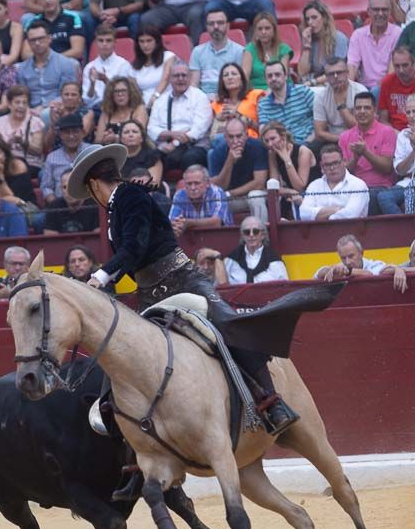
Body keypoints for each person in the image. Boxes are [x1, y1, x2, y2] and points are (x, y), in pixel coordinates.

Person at [67, 143, 299, 444]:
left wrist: (100, 276)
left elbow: (134, 247)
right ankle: (134, 448)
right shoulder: (120, 204)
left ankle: (272, 402)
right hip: (150, 291)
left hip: (182, 279)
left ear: (95, 184)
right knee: (127, 355)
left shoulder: (130, 196)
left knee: (226, 322)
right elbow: (133, 255)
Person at [147, 61, 213, 172]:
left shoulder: (200, 97)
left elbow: (197, 131)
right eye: (176, 76)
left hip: (194, 145)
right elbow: (151, 129)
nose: (180, 78)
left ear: (190, 77)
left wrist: (174, 143)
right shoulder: (161, 100)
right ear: (170, 79)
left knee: (189, 157)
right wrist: (172, 134)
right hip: (165, 145)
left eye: (184, 75)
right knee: (149, 156)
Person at [338, 90, 397, 209]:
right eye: (358, 108)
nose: (362, 112)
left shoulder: (387, 132)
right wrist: (355, 158)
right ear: (353, 111)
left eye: (367, 108)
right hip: (352, 189)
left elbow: (387, 168)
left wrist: (366, 152)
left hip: (379, 187)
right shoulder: (345, 137)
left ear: (374, 111)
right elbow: (343, 173)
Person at [207, 115, 268, 217]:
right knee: (213, 202)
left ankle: (261, 231)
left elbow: (259, 183)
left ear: (246, 134)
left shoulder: (257, 147)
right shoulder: (217, 153)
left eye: (239, 136)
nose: (235, 141)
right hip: (232, 200)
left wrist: (231, 193)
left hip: (252, 195)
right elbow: (219, 187)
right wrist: (229, 162)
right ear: (225, 137)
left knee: (256, 197)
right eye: (231, 137)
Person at [15, 20, 79, 110]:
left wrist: (46, 107)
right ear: (28, 43)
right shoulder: (21, 69)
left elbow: (67, 95)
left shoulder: (67, 64)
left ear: (49, 38)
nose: (37, 43)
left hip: (57, 109)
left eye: (41, 38)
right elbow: (22, 96)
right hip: (29, 111)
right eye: (33, 40)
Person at [297, 143, 370, 221]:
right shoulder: (314, 185)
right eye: (327, 164)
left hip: (350, 232)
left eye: (335, 163)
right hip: (319, 232)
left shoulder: (358, 185)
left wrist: (319, 216)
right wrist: (337, 210)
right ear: (321, 166)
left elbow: (350, 215)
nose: (332, 168)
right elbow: (304, 214)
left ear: (344, 162)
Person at [346, 0, 402, 96]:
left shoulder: (397, 33)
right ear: (369, 12)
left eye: (384, 10)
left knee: (376, 92)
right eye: (376, 10)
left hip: (388, 86)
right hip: (363, 87)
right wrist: (347, 87)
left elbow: (393, 68)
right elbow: (352, 65)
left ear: (390, 12)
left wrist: (382, 86)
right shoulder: (358, 35)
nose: (380, 13)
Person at [39, 112, 97, 203]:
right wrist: (56, 205)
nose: (71, 136)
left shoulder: (92, 152)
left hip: (89, 205)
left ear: (82, 132)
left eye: (75, 131)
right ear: (60, 135)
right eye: (67, 132)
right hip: (59, 206)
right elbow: (46, 187)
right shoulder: (51, 158)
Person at [311, 58, 367, 149]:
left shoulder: (360, 92)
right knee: (310, 149)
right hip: (333, 139)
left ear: (347, 73)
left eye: (339, 72)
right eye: (331, 74)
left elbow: (360, 127)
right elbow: (319, 133)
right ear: (326, 77)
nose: (336, 76)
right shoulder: (321, 96)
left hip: (358, 139)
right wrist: (342, 139)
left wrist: (341, 105)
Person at [379, 46, 415, 130]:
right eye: (397, 66)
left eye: (405, 65)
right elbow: (383, 120)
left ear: (413, 63)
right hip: (395, 132)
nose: (401, 70)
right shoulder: (387, 82)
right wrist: (397, 135)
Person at [188, 7, 244, 97]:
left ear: (228, 26)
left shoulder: (239, 51)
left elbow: (240, 84)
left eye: (220, 23)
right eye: (211, 24)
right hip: (203, 101)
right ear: (206, 27)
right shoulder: (197, 51)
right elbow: (194, 85)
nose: (216, 27)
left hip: (228, 99)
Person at [257, 61, 315, 145]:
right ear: (266, 80)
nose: (273, 78)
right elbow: (263, 132)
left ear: (285, 76)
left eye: (277, 74)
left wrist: (310, 140)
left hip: (311, 142)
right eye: (270, 76)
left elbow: (322, 118)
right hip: (282, 147)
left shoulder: (302, 91)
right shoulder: (263, 104)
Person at [297, 1, 348, 88]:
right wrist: (306, 46)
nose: (310, 22)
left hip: (334, 83)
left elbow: (337, 70)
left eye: (314, 17)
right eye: (307, 19)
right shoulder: (310, 40)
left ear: (324, 18)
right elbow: (302, 72)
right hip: (314, 84)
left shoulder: (339, 38)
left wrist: (313, 82)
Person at [241, 11, 293, 94]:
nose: (263, 32)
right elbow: (244, 78)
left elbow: (283, 77)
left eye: (267, 28)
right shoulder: (249, 49)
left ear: (274, 30)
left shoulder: (284, 49)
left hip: (280, 90)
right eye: (260, 29)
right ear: (255, 31)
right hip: (256, 92)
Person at [43, 167, 100, 234]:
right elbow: (51, 239)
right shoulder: (54, 207)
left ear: (81, 186)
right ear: (60, 189)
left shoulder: (95, 206)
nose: (68, 191)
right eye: (65, 187)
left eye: (72, 186)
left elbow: (99, 239)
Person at [314, 234, 390, 282]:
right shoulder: (339, 269)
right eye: (343, 258)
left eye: (351, 256)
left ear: (361, 253)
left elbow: (371, 274)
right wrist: (330, 270)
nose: (347, 262)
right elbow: (318, 274)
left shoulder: (376, 264)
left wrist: (347, 271)